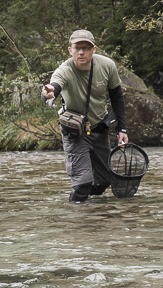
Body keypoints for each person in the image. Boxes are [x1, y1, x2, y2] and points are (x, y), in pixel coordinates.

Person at [42, 29, 128, 202]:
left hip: (100, 129)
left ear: (94, 49)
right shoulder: (64, 70)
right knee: (83, 182)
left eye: (86, 48)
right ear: (70, 50)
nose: (81, 52)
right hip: (75, 133)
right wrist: (49, 93)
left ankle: (91, 214)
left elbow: (117, 97)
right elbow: (54, 87)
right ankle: (77, 221)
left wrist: (122, 129)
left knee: (104, 181)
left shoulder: (107, 66)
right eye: (77, 48)